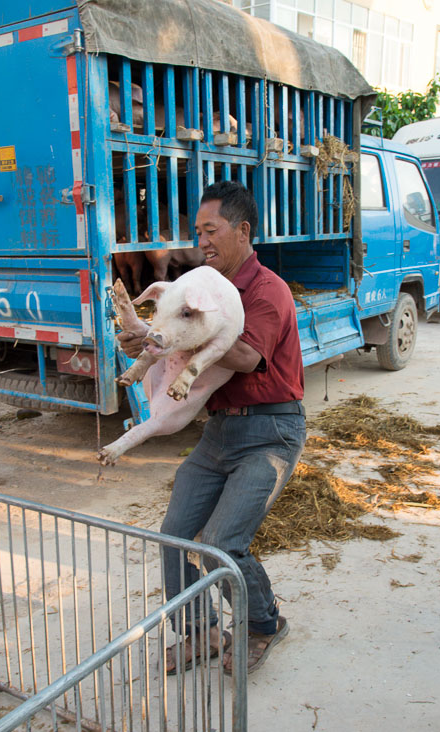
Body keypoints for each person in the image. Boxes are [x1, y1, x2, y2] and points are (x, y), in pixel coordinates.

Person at [117, 180, 305, 675]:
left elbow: (244, 357)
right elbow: (178, 345)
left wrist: (187, 332)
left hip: (272, 431)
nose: (202, 241)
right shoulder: (197, 287)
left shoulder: (267, 291)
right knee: (177, 532)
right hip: (220, 428)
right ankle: (201, 631)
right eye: (197, 231)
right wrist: (149, 340)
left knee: (223, 541)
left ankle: (264, 624)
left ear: (243, 231)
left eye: (211, 230)